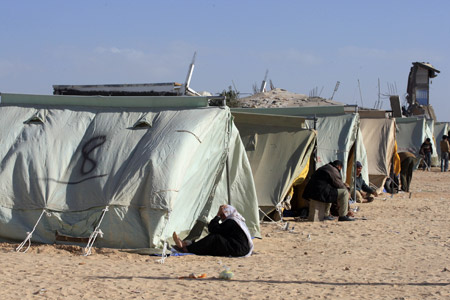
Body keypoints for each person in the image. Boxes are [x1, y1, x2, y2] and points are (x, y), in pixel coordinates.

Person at [172, 205, 253, 257]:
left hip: (239, 249)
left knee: (215, 238)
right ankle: (188, 245)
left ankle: (187, 248)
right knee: (214, 241)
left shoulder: (232, 222)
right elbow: (214, 229)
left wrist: (217, 216)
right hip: (236, 247)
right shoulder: (233, 221)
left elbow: (213, 229)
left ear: (228, 213)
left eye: (222, 215)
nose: (221, 217)